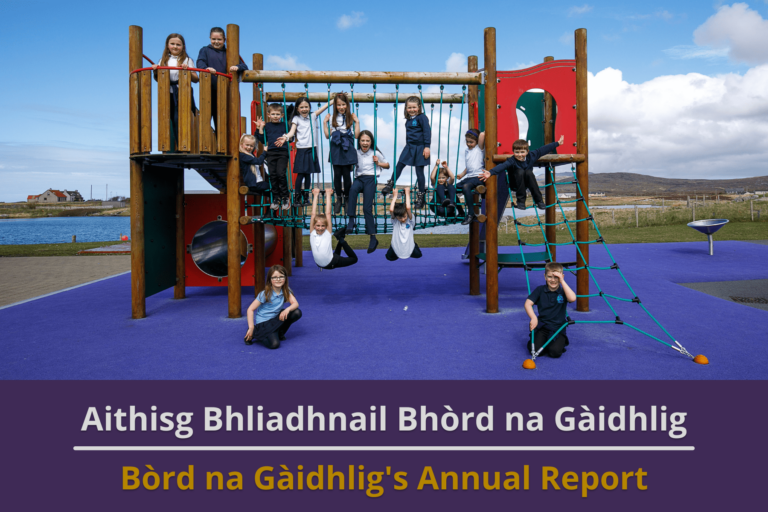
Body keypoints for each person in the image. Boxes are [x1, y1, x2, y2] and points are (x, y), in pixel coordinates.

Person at [480, 136, 565, 210]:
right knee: (520, 171)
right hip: (515, 184)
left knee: (528, 173)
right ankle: (521, 201)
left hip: (526, 183)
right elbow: (503, 166)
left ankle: (539, 201)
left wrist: (557, 143)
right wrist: (491, 172)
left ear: (527, 152)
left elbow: (543, 150)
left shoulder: (532, 155)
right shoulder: (512, 160)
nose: (519, 155)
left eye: (522, 152)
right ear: (513, 152)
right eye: (517, 152)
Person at [381, 96, 430, 209]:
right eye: (409, 107)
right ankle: (391, 184)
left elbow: (427, 132)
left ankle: (421, 197)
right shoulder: (408, 120)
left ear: (419, 107)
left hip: (420, 147)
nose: (412, 109)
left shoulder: (422, 117)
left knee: (419, 172)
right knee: (400, 164)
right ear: (406, 108)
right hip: (409, 147)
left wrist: (427, 147)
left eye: (414, 107)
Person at [195, 27, 248, 132]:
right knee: (205, 119)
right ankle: (205, 145)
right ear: (210, 38)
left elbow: (245, 66)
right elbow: (200, 63)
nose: (216, 42)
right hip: (208, 90)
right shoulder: (205, 50)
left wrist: (237, 67)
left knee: (222, 120)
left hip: (224, 91)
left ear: (225, 39)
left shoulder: (230, 53)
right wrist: (206, 68)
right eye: (213, 39)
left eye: (219, 39)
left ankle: (221, 146)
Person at [152, 33, 198, 150]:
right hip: (167, 92)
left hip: (182, 93)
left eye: (178, 44)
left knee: (180, 118)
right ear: (167, 45)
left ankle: (182, 146)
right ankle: (169, 147)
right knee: (168, 117)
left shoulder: (187, 60)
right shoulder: (163, 60)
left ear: (183, 46)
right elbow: (159, 79)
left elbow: (196, 78)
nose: (175, 47)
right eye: (172, 44)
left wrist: (187, 70)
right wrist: (155, 70)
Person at [346, 131, 390, 253]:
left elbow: (387, 165)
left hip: (370, 179)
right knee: (352, 190)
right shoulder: (355, 152)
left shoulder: (375, 153)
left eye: (367, 141)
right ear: (359, 141)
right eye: (363, 140)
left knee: (367, 208)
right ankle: (351, 220)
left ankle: (372, 237)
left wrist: (378, 163)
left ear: (371, 142)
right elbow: (350, 165)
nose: (365, 143)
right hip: (359, 178)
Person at [283, 97, 330, 207]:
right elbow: (291, 132)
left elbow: (324, 107)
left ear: (309, 107)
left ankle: (305, 197)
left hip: (311, 148)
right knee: (300, 174)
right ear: (297, 109)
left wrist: (333, 100)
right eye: (302, 107)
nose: (304, 109)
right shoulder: (296, 119)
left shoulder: (313, 116)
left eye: (306, 107)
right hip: (302, 149)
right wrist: (285, 137)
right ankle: (297, 197)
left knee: (308, 174)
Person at [524, 262, 576, 358]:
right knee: (534, 350)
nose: (553, 280)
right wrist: (533, 317)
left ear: (561, 277)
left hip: (558, 328)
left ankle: (558, 342)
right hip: (543, 327)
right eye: (549, 277)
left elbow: (572, 298)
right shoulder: (540, 290)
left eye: (556, 277)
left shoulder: (563, 291)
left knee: (554, 353)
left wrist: (562, 281)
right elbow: (528, 303)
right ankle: (542, 341)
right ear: (545, 277)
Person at [244, 265, 302, 349]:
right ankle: (256, 333)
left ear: (285, 278)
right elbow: (250, 309)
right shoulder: (265, 293)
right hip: (264, 323)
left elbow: (295, 304)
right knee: (274, 345)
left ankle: (280, 332)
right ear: (270, 280)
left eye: (281, 277)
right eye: (274, 277)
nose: (278, 279)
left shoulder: (286, 290)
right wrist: (251, 327)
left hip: (276, 319)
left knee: (297, 312)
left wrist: (287, 309)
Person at [323, 93, 360, 215]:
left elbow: (356, 136)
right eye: (338, 104)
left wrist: (357, 122)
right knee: (337, 174)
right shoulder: (332, 117)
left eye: (343, 104)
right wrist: (325, 123)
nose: (341, 107)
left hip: (347, 146)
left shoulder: (350, 117)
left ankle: (347, 198)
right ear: (335, 105)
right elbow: (328, 135)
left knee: (346, 175)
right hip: (336, 146)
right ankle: (339, 198)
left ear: (347, 105)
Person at [309, 188, 359, 269]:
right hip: (329, 262)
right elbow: (313, 214)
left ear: (326, 226)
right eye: (318, 226)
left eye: (323, 226)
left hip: (325, 263)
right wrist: (315, 195)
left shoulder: (327, 232)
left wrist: (327, 195)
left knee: (353, 259)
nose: (320, 228)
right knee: (347, 258)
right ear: (314, 226)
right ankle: (340, 238)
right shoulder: (312, 232)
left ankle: (341, 239)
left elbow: (328, 213)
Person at [255, 104, 291, 210]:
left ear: (282, 115)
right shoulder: (267, 126)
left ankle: (285, 197)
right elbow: (262, 140)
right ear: (269, 115)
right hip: (271, 153)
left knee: (280, 173)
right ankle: (276, 198)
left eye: (277, 114)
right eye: (273, 114)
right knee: (273, 175)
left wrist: (286, 137)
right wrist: (260, 128)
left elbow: (291, 138)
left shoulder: (285, 125)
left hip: (282, 153)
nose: (275, 116)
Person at [454, 129, 485, 225]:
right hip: (469, 176)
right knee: (451, 189)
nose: (469, 144)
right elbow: (469, 166)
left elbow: (482, 135)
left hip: (478, 176)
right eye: (467, 141)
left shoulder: (479, 149)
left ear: (476, 141)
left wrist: (483, 131)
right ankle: (460, 212)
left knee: (466, 187)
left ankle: (471, 214)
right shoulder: (467, 151)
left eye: (471, 142)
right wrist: (462, 174)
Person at [386, 187, 422, 261]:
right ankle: (396, 251)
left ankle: (412, 245)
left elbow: (408, 208)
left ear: (407, 215)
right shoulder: (395, 221)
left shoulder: (410, 220)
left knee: (419, 255)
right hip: (396, 245)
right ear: (396, 217)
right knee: (389, 258)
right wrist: (395, 196)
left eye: (404, 216)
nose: (402, 219)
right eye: (400, 217)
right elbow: (391, 210)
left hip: (409, 246)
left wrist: (407, 193)